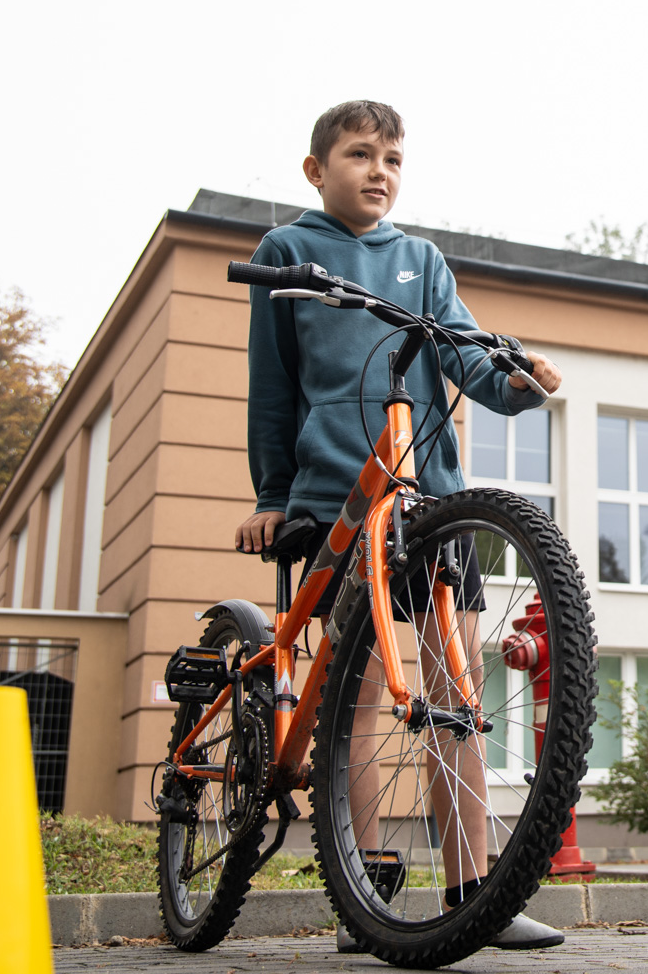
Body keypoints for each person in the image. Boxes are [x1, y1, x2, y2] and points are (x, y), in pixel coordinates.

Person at [234, 100, 566, 954]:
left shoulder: (419, 258)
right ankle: (365, 884)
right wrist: (273, 497)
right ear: (317, 170)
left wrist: (519, 373)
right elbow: (274, 388)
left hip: (434, 501)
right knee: (363, 699)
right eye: (358, 155)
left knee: (455, 696)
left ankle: (473, 891)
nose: (378, 171)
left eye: (392, 159)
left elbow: (462, 351)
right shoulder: (290, 251)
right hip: (335, 498)